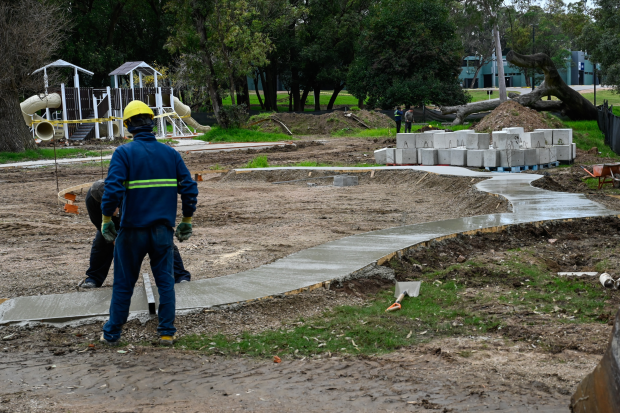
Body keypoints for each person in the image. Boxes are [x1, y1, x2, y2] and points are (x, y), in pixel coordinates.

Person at [99, 100, 198, 347]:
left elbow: (111, 190)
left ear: (128, 125)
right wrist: (187, 219)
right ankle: (166, 332)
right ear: (152, 124)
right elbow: (188, 187)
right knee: (166, 283)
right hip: (162, 232)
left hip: (131, 232)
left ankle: (112, 335)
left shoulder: (123, 153)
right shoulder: (170, 154)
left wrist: (106, 218)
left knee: (124, 285)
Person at [80, 180, 191, 289]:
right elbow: (103, 228)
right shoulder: (91, 200)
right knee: (101, 243)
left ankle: (180, 276)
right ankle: (93, 279)